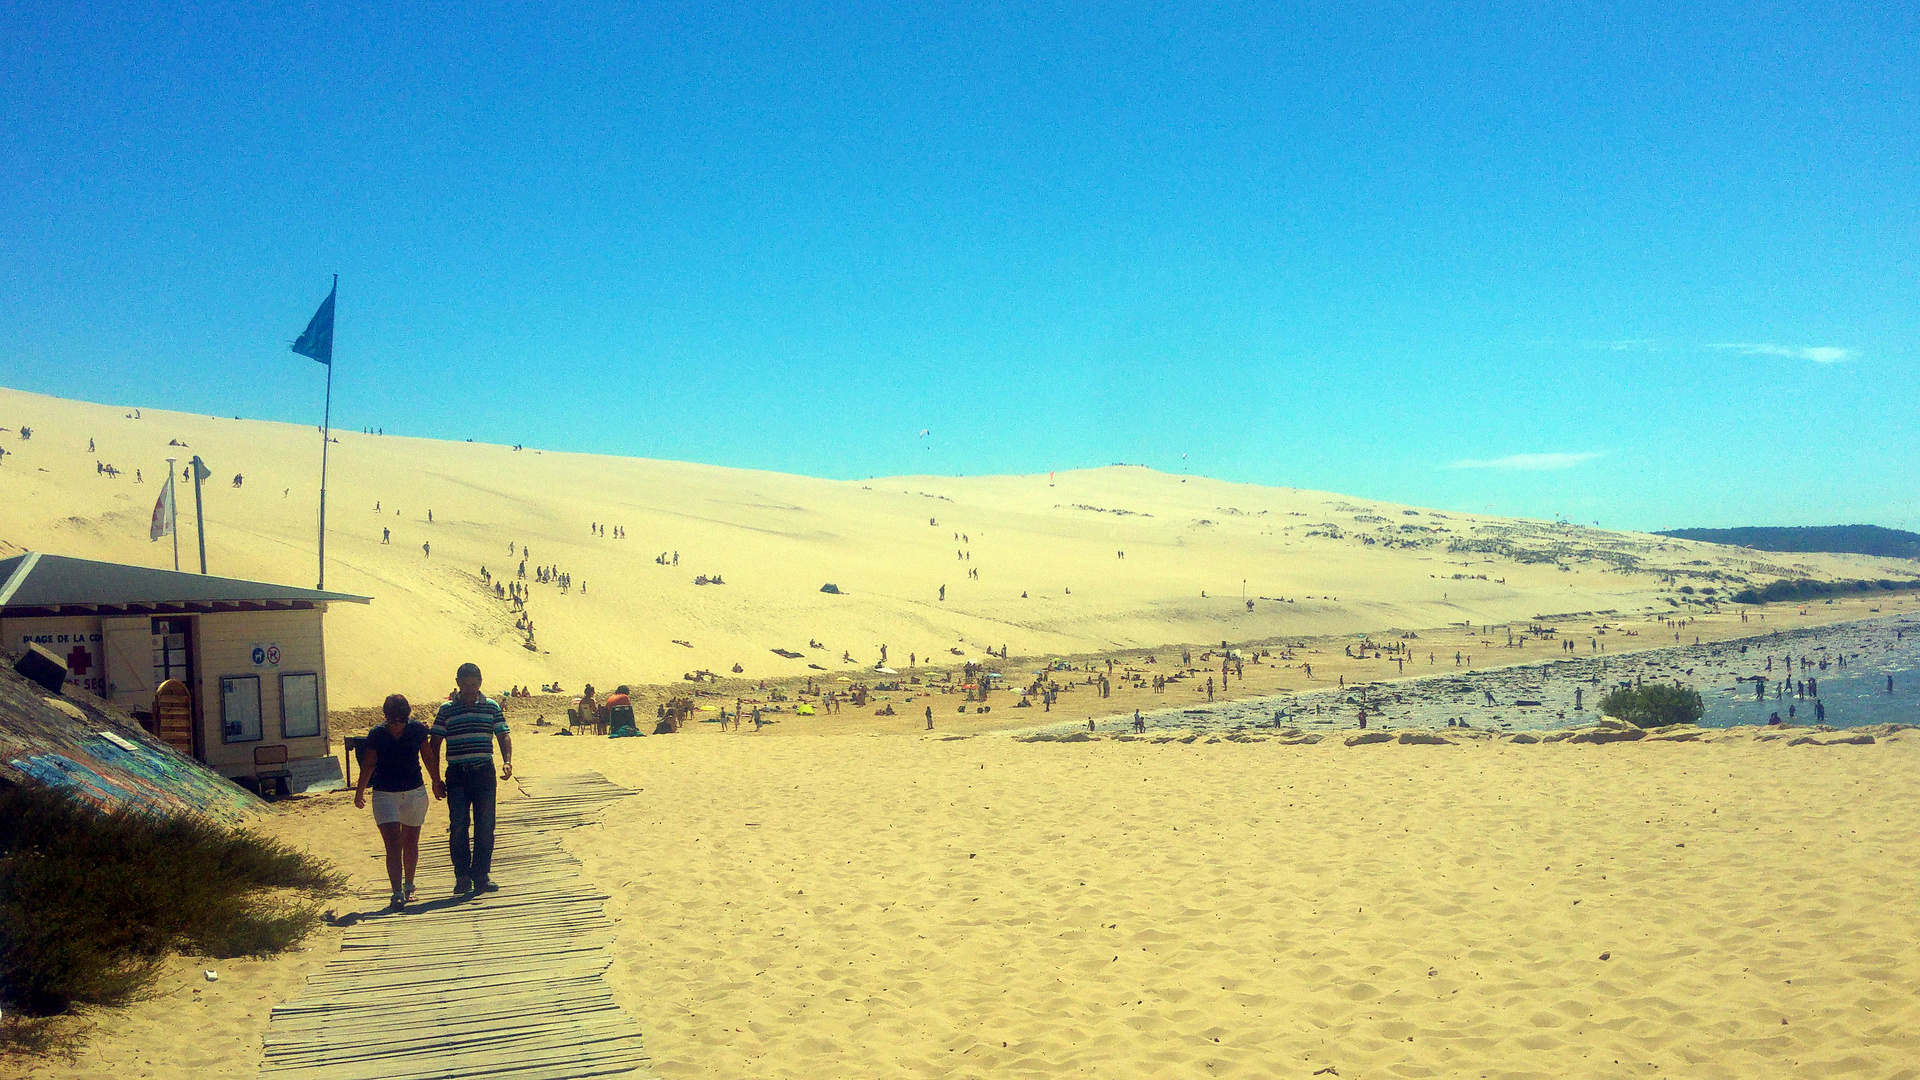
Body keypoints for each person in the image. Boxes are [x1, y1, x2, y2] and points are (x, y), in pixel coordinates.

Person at [429, 663, 512, 895]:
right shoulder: (446, 710)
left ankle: (481, 875)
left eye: (474, 685)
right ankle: (462, 876)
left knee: (485, 826)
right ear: (457, 683)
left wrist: (507, 761)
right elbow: (434, 744)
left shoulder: (491, 706)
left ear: (480, 683)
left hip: (484, 772)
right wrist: (435, 778)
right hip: (457, 774)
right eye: (465, 685)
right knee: (458, 826)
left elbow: (503, 734)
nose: (469, 689)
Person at [354, 694, 435, 909]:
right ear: (386, 717)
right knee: (392, 844)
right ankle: (396, 892)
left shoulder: (417, 730)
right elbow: (368, 764)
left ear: (406, 718)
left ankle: (409, 886)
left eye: (400, 721)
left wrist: (436, 780)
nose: (396, 726)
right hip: (384, 794)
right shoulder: (377, 734)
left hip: (414, 792)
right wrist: (359, 791)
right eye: (391, 721)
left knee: (411, 841)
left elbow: (427, 757)